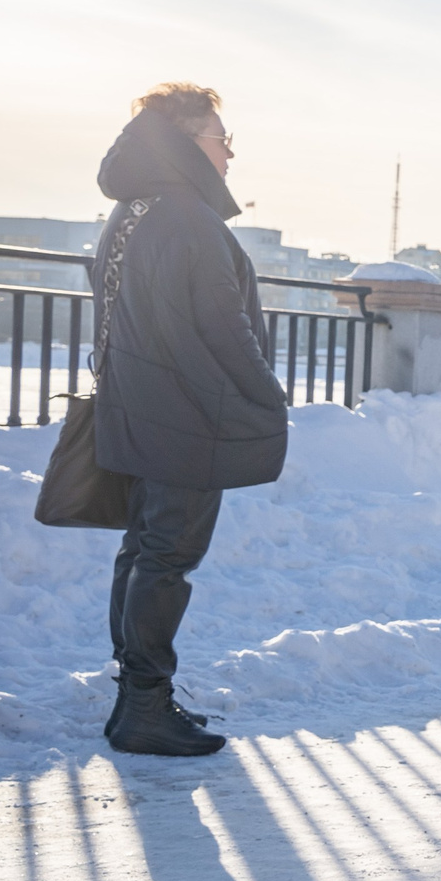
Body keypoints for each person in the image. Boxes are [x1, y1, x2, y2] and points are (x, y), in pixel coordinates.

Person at [91, 84, 289, 757]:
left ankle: (135, 701)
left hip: (138, 407)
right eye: (219, 136)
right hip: (187, 413)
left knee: (144, 550)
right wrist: (268, 391)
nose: (229, 151)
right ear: (184, 142)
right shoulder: (189, 217)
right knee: (168, 558)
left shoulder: (131, 212)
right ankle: (143, 706)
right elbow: (224, 326)